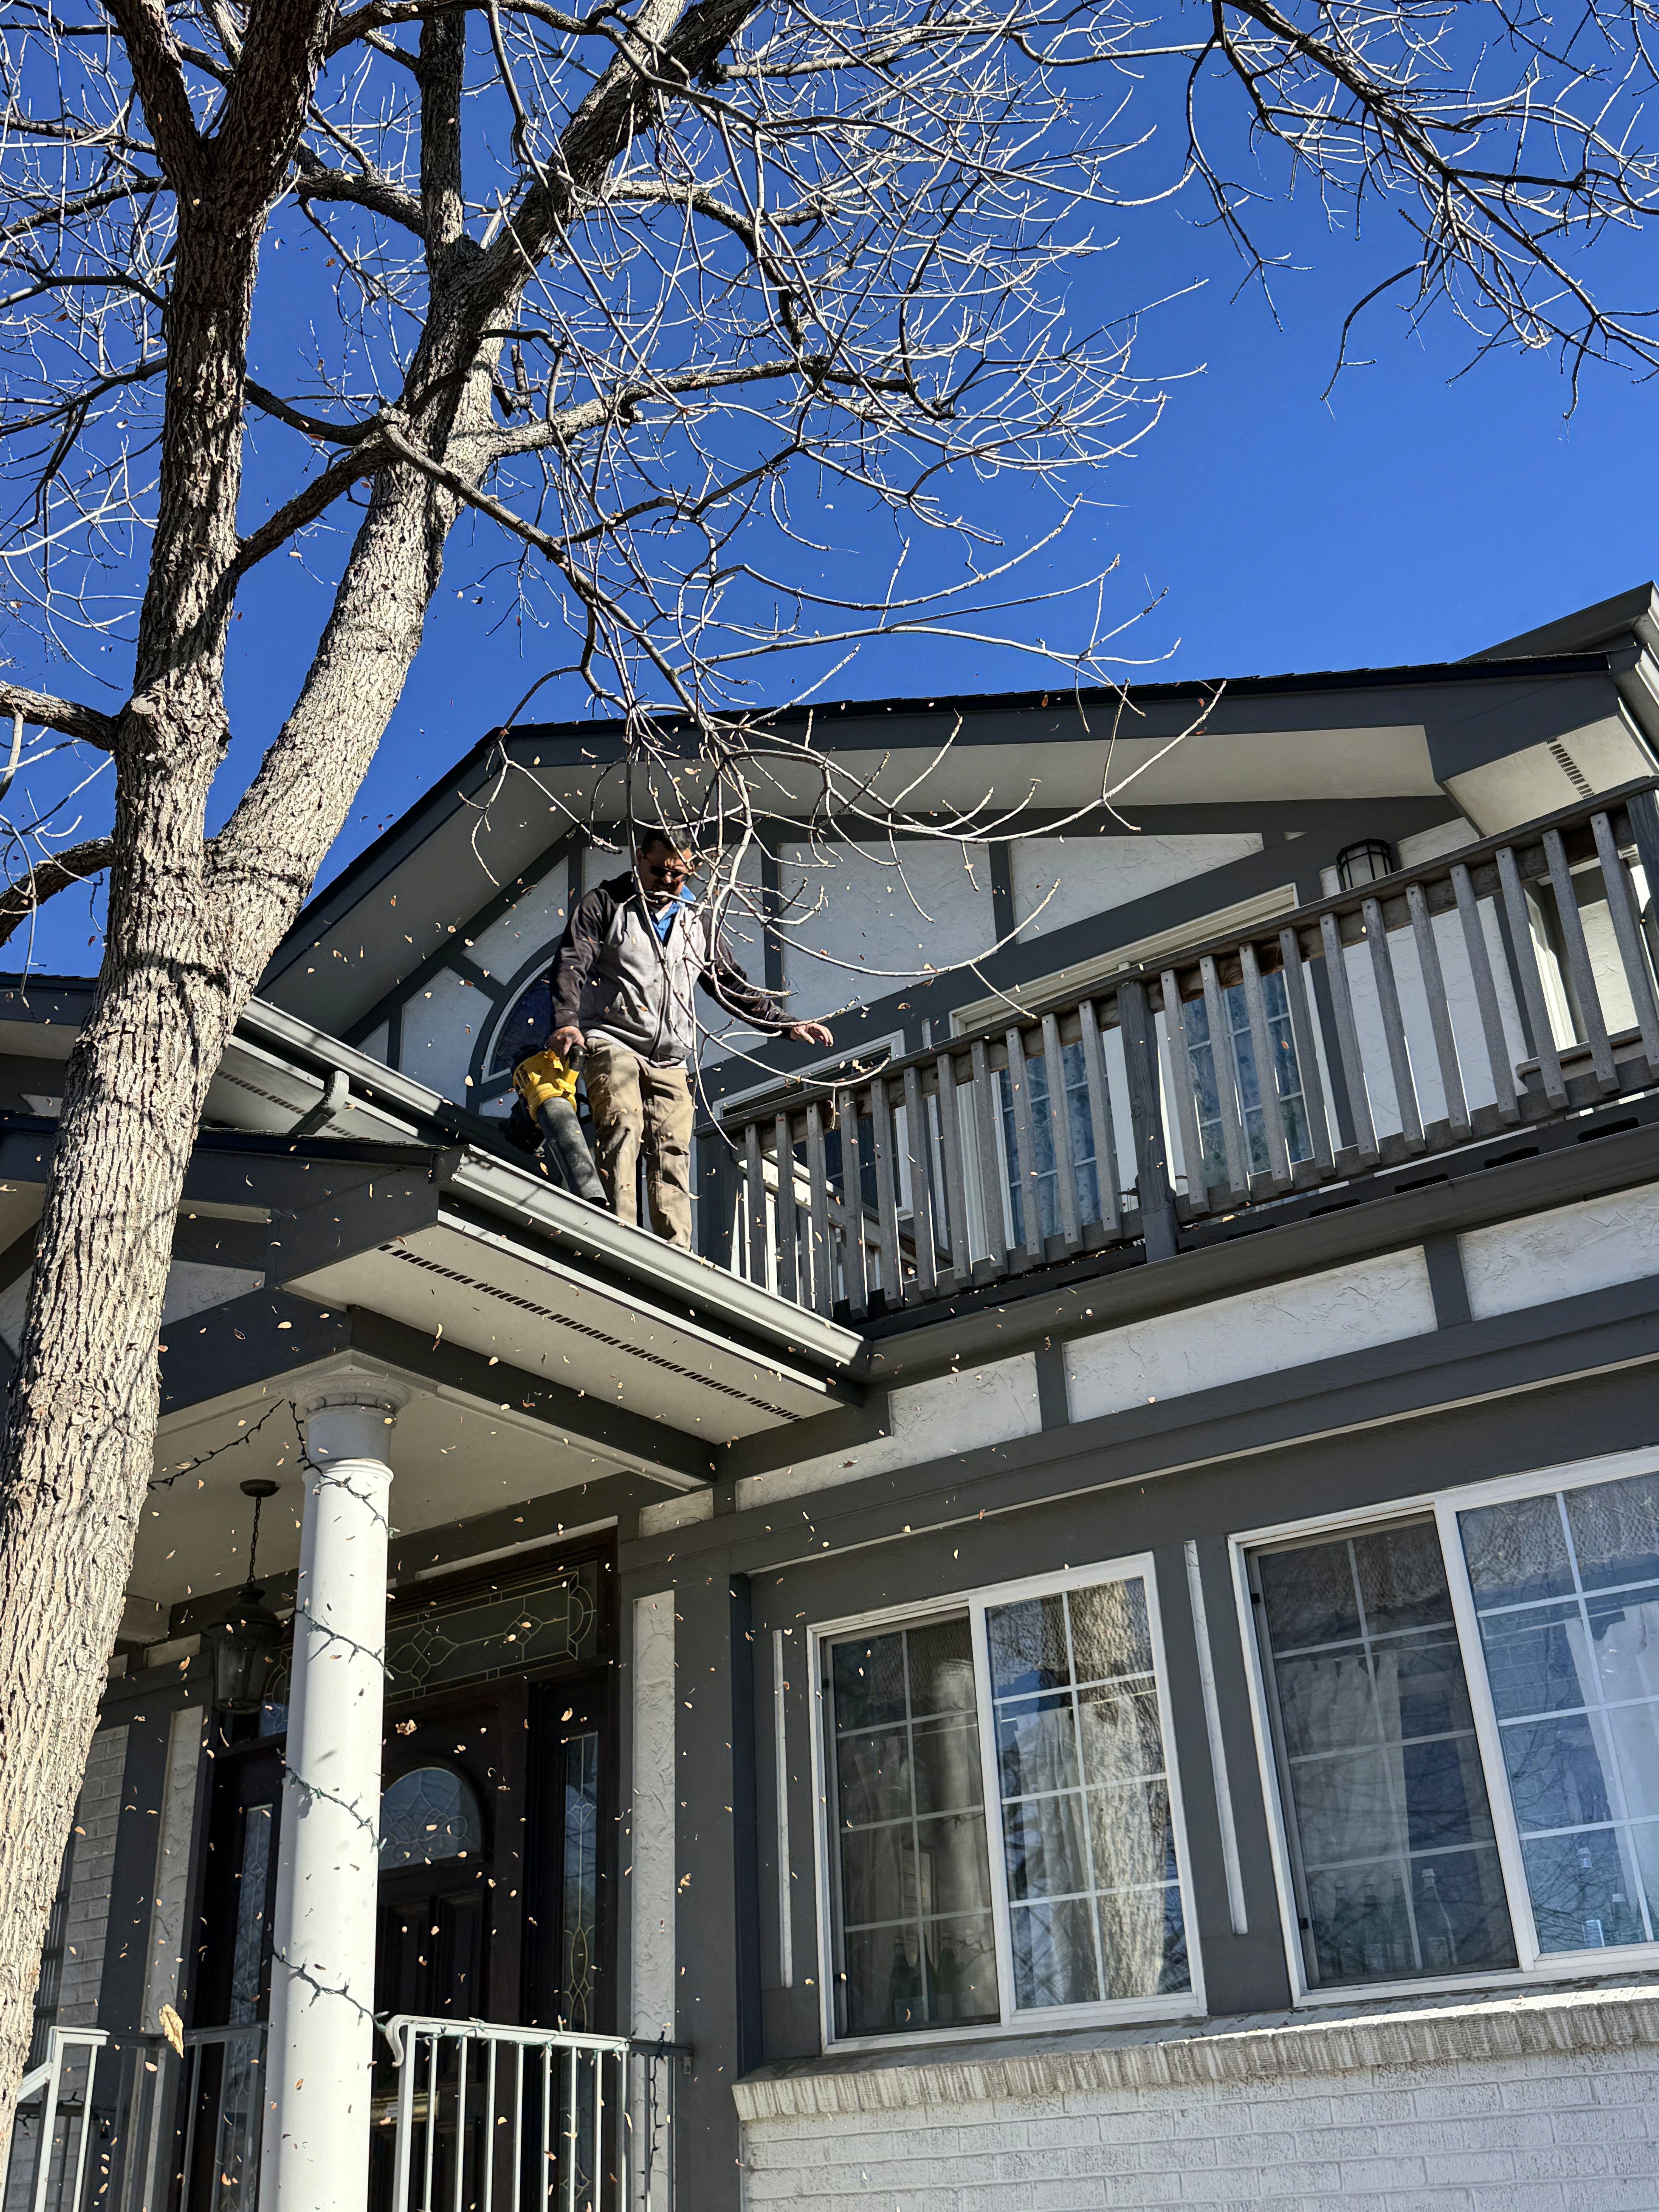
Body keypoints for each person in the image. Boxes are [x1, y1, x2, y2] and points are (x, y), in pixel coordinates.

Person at [546, 830, 833, 1246]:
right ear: (639, 858)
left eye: (677, 875)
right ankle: (615, 1235)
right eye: (658, 871)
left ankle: (673, 1253)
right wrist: (567, 1021)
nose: (666, 881)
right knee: (623, 1125)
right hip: (612, 1037)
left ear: (691, 868)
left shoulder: (696, 919)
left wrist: (785, 1024)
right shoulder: (606, 904)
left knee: (672, 1150)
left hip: (670, 1056)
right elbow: (572, 963)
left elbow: (730, 985)